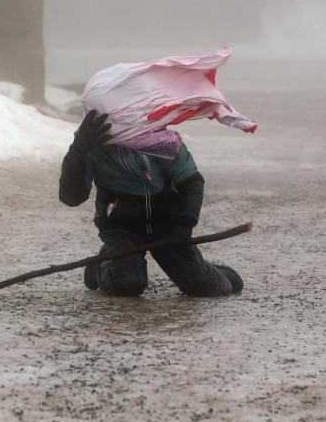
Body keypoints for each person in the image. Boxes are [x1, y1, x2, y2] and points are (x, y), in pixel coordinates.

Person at [58, 110, 243, 297]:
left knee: (200, 285)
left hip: (167, 222)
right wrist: (79, 149)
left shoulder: (162, 140)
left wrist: (184, 224)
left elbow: (192, 183)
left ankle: (208, 271)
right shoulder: (91, 143)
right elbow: (71, 197)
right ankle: (101, 266)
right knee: (127, 284)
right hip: (121, 225)